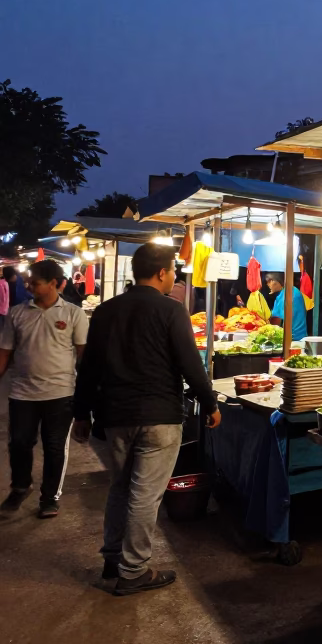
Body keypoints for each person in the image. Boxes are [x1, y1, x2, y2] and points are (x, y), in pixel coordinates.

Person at [73, 243, 220, 595]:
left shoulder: (106, 311)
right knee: (145, 495)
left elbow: (88, 367)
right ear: (160, 273)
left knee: (121, 487)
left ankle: (113, 558)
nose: (175, 277)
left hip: (116, 415)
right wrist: (210, 402)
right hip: (159, 416)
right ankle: (134, 570)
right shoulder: (171, 310)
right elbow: (190, 363)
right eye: (173, 270)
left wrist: (81, 413)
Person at [0, 260, 89, 518]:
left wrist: (87, 394)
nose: (29, 286)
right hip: (22, 393)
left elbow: (84, 356)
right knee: (19, 443)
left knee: (54, 447)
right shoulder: (17, 314)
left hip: (61, 393)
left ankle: (49, 497)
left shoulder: (74, 314)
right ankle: (20, 486)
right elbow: (4, 354)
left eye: (35, 282)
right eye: (29, 281)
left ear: (53, 283)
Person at [266, 272, 308, 343]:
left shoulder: (287, 295)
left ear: (276, 281)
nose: (268, 285)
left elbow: (277, 321)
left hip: (294, 339)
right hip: (298, 337)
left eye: (270, 281)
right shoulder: (290, 291)